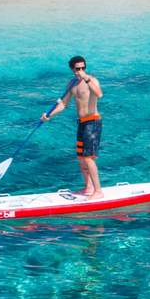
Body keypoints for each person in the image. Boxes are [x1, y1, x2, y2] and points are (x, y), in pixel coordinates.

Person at [41, 56, 105, 199]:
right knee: (81, 158)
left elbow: (99, 94)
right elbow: (63, 104)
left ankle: (98, 191)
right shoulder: (72, 84)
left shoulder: (92, 80)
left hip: (93, 122)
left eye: (83, 68)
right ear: (72, 69)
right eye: (78, 69)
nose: (81, 71)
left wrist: (86, 78)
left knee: (89, 158)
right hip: (81, 123)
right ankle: (88, 188)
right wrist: (49, 115)